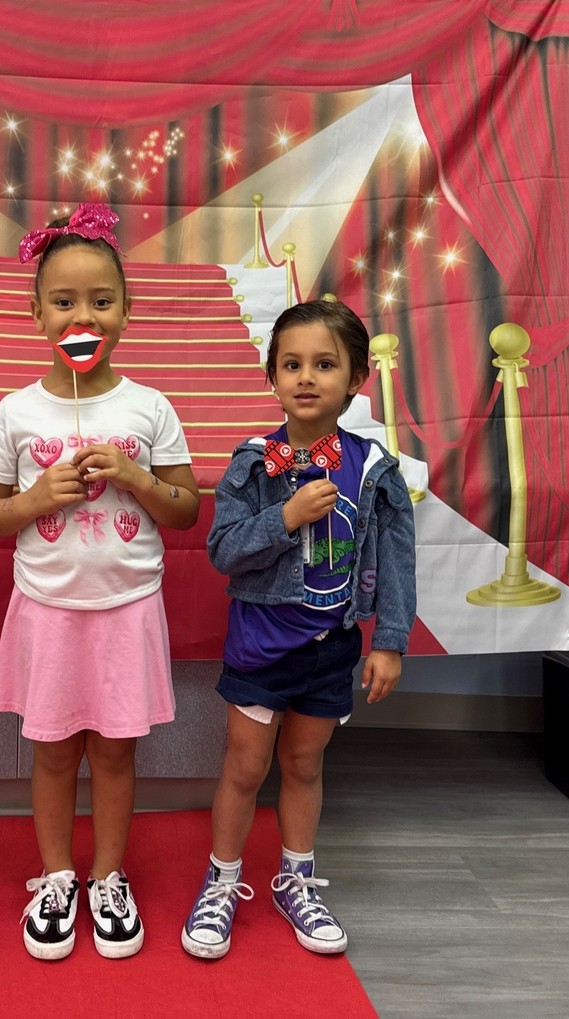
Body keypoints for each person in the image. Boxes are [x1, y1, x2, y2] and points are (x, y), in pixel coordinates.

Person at [0, 204, 200, 961]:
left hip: (127, 609)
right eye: (64, 300)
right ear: (37, 314)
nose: (83, 313)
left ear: (126, 313)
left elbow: (187, 510)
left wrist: (134, 475)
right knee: (54, 750)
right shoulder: (15, 411)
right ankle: (58, 873)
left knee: (116, 753)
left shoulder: (150, 406)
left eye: (101, 300)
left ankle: (108, 875)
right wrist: (35, 499)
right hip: (48, 610)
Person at [181, 298, 416, 960]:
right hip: (260, 644)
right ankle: (221, 880)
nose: (306, 377)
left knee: (304, 764)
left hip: (332, 647)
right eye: (292, 364)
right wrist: (282, 516)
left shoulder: (373, 469)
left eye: (324, 363)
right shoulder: (255, 462)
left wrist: (390, 641)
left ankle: (297, 879)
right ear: (272, 375)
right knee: (245, 767)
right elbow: (224, 550)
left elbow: (396, 558)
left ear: (357, 377)